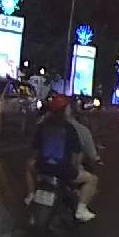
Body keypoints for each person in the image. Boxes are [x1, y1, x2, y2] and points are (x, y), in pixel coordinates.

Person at [26, 94, 98, 222]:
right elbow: (76, 153)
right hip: (63, 170)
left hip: (42, 167)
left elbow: (35, 150)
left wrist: (38, 162)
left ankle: (31, 195)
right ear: (66, 110)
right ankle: (81, 209)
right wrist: (75, 168)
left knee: (28, 166)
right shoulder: (70, 128)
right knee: (92, 179)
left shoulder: (43, 126)